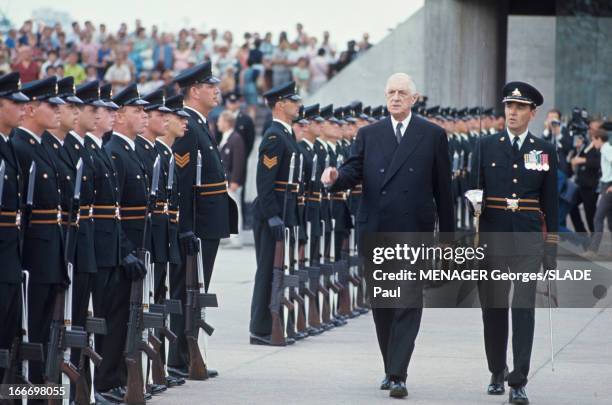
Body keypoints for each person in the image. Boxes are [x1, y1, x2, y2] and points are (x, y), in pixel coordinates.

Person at [321, 73, 454, 398]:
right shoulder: (369, 134)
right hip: (376, 227)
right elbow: (354, 170)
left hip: (414, 229)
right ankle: (390, 365)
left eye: (402, 92)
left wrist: (447, 238)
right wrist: (336, 176)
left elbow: (444, 189)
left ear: (414, 98)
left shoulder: (432, 134)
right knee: (382, 304)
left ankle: (398, 373)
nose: (395, 97)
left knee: (408, 301)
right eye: (391, 92)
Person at [475, 81, 558, 404]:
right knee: (493, 308)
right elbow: (475, 193)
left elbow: (550, 203)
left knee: (523, 308)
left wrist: (550, 247)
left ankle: (518, 380)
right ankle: (497, 369)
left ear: (532, 113)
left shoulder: (544, 150)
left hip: (526, 238)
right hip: (493, 236)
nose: (512, 112)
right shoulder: (485, 145)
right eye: (509, 106)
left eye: (520, 107)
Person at [169, 62, 238, 378]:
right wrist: (186, 228)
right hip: (196, 226)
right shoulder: (187, 127)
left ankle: (186, 355)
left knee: (196, 291)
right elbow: (183, 185)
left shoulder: (200, 125)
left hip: (206, 225)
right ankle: (180, 358)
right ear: (194, 91)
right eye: (210, 86)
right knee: (187, 292)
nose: (217, 90)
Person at [12, 76, 67, 386]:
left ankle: (42, 389)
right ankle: (29, 391)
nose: (58, 111)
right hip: (32, 253)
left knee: (46, 328)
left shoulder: (41, 146)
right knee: (29, 328)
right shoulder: (20, 147)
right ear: (31, 109)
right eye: (51, 105)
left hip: (50, 251)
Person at [97, 83, 150, 402]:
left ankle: (115, 378)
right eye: (137, 110)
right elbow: (111, 211)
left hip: (132, 248)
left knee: (125, 320)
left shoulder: (130, 150)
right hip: (120, 251)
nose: (143, 115)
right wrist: (125, 251)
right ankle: (105, 381)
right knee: (113, 318)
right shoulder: (114, 152)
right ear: (118, 117)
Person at [249, 81, 302, 345]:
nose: (299, 105)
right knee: (267, 270)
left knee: (277, 270)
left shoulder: (286, 134)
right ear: (281, 105)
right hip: (271, 214)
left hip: (283, 211)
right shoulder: (273, 136)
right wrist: (272, 215)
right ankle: (260, 328)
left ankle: (274, 323)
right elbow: (265, 181)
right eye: (294, 101)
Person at [0, 72, 29, 383]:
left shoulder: (8, 145)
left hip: (11, 255)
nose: (23, 109)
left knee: (9, 340)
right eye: (15, 103)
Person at [217, 110, 246, 248]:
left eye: (220, 120)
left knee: (236, 210)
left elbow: (239, 162)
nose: (218, 123)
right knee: (229, 210)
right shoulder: (226, 137)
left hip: (232, 182)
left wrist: (235, 181)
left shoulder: (236, 138)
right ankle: (229, 236)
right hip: (225, 181)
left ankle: (236, 240)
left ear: (227, 122)